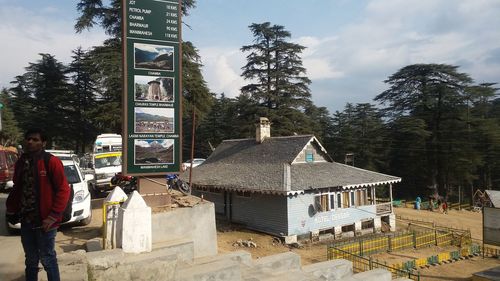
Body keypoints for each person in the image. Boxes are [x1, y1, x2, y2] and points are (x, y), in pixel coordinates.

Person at [5, 128, 71, 281]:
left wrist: (53, 216)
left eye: (35, 139)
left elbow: (63, 190)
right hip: (27, 221)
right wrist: (11, 210)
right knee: (31, 260)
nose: (30, 142)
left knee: (48, 259)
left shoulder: (51, 161)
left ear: (43, 143)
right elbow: (17, 188)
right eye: (28, 139)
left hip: (46, 222)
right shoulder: (21, 162)